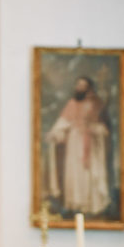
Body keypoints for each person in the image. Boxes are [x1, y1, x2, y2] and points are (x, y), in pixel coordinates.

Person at [45, 76, 111, 214]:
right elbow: (62, 123)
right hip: (74, 143)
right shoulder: (71, 104)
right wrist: (55, 134)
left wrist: (94, 128)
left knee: (88, 175)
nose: (79, 88)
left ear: (88, 88)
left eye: (83, 85)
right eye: (78, 85)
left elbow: (103, 127)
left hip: (91, 145)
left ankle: (88, 205)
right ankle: (74, 203)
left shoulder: (96, 104)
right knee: (74, 174)